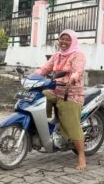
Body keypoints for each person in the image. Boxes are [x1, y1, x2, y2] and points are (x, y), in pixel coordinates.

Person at [36, 28, 87, 170]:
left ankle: (81, 156)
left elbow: (78, 70)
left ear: (73, 41)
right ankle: (45, 126)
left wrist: (74, 77)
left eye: (67, 39)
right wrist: (33, 75)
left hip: (70, 94)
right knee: (39, 95)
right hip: (55, 91)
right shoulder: (57, 55)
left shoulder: (78, 55)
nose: (64, 42)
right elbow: (45, 69)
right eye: (62, 39)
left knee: (72, 125)